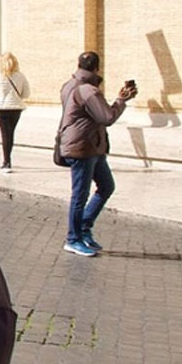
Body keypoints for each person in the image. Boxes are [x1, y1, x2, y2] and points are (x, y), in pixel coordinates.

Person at [59, 51, 137, 257]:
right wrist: (121, 100)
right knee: (80, 195)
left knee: (106, 185)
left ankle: (84, 227)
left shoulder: (68, 85)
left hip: (90, 146)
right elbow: (106, 117)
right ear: (97, 68)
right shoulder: (89, 91)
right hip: (83, 147)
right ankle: (73, 239)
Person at [0, 51, 31, 173]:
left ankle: (6, 161)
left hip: (1, 107)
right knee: (10, 133)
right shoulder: (21, 76)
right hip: (15, 107)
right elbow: (26, 93)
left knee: (4, 134)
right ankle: (8, 159)